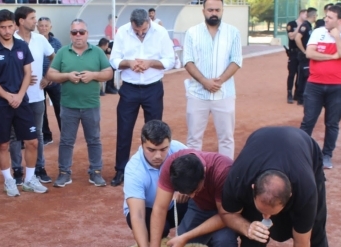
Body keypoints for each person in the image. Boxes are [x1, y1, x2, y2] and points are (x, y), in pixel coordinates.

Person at [220, 126, 341, 247]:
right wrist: (247, 227)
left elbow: (302, 243)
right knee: (254, 230)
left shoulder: (305, 189)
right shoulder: (239, 177)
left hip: (305, 151)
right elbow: (227, 213)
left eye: (272, 213)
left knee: (316, 229)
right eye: (263, 210)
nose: (267, 216)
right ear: (253, 189)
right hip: (260, 145)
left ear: (290, 197)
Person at [141, 142, 239, 247]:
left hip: (225, 213)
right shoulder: (172, 167)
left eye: (195, 190)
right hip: (200, 208)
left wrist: (186, 236)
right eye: (187, 193)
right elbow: (159, 208)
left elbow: (225, 216)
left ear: (204, 173)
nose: (192, 196)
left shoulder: (223, 171)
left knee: (224, 244)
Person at [0, 9, 48, 196]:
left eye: (10, 26)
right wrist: (8, 96)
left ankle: (29, 179)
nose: (6, 30)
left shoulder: (21, 46)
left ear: (14, 25)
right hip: (0, 104)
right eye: (2, 27)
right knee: (2, 144)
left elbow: (28, 73)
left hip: (22, 101)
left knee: (32, 141)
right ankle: (9, 180)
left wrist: (19, 95)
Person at [109, 9, 175, 187]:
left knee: (155, 131)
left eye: (143, 31)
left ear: (149, 21)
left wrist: (150, 63)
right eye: (136, 31)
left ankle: (155, 168)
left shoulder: (160, 32)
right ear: (131, 23)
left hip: (153, 87)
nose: (139, 33)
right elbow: (114, 60)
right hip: (129, 87)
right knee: (124, 130)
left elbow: (171, 60)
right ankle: (121, 170)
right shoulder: (122, 31)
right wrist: (129, 63)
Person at [46, 18, 112, 188]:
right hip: (68, 105)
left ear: (86, 34)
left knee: (94, 139)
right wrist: (67, 76)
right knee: (66, 141)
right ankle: (64, 172)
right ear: (70, 34)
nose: (78, 36)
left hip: (91, 104)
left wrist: (93, 75)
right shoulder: (62, 52)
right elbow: (51, 74)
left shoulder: (97, 51)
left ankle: (96, 172)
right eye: (74, 32)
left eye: (81, 32)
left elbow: (108, 73)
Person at [183, 0, 242, 160]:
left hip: (224, 93)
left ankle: (225, 176)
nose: (214, 13)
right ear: (203, 11)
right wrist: (204, 81)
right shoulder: (192, 33)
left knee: (226, 139)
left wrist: (219, 81)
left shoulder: (233, 32)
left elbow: (236, 60)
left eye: (217, 9)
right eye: (210, 10)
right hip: (197, 94)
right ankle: (192, 177)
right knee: (194, 139)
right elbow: (187, 61)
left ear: (222, 10)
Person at [300, 5, 341, 170]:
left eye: (330, 17)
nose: (325, 19)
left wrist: (337, 37)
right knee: (308, 121)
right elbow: (310, 53)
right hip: (315, 84)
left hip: (338, 86)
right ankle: (301, 152)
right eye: (326, 16)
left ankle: (327, 155)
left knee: (332, 123)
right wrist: (331, 56)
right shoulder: (318, 32)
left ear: (340, 21)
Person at [123, 120, 187, 247]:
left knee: (199, 202)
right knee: (160, 230)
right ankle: (151, 245)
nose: (158, 156)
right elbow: (138, 215)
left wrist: (185, 188)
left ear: (170, 142)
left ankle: (196, 244)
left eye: (164, 149)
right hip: (148, 211)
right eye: (151, 150)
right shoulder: (134, 170)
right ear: (142, 144)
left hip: (174, 205)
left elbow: (201, 170)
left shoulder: (180, 150)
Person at [9, 6, 55, 185]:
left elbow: (54, 57)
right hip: (15, 97)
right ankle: (18, 171)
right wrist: (23, 78)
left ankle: (39, 168)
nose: (36, 22)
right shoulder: (10, 39)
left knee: (38, 134)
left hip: (37, 96)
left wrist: (47, 77)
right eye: (32, 18)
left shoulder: (40, 39)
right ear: (21, 21)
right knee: (14, 136)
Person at [37, 16, 62, 144]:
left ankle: (65, 136)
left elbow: (58, 60)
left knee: (60, 108)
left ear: (50, 27)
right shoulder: (33, 41)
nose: (44, 28)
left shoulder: (56, 42)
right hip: (38, 83)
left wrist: (51, 76)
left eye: (46, 26)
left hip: (54, 81)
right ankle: (47, 136)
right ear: (37, 27)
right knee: (42, 111)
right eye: (41, 25)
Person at [294, 7, 318, 106]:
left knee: (305, 76)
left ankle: (302, 96)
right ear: (313, 16)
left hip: (306, 55)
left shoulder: (309, 26)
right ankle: (301, 98)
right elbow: (297, 38)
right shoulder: (305, 26)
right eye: (316, 15)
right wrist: (304, 51)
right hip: (304, 56)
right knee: (304, 76)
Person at [286, 9, 306, 104]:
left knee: (300, 74)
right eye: (305, 14)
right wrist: (299, 27)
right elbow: (292, 36)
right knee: (292, 73)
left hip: (301, 53)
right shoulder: (292, 24)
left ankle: (297, 93)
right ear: (301, 14)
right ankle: (289, 93)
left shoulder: (307, 26)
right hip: (293, 52)